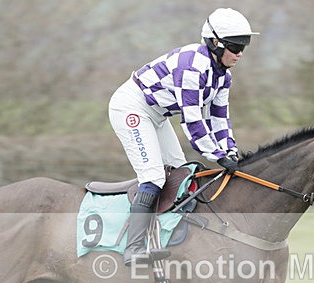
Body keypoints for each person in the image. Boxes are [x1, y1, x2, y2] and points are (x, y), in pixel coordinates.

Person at [108, 7, 258, 266]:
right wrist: (218, 157)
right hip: (132, 108)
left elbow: (219, 118)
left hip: (157, 115)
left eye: (245, 46)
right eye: (235, 46)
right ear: (215, 44)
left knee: (181, 173)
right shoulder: (193, 67)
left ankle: (170, 240)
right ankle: (133, 249)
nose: (240, 53)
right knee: (154, 177)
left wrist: (230, 150)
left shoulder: (223, 76)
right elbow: (192, 120)